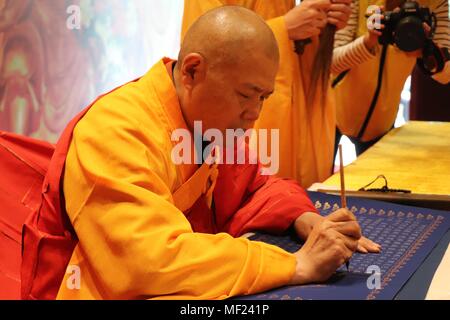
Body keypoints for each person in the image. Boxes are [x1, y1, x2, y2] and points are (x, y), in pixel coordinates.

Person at [54, 6, 379, 300]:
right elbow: (149, 262)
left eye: (263, 98)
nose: (254, 114)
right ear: (193, 71)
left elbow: (255, 185)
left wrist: (305, 219)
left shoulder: (208, 126)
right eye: (245, 95)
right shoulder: (116, 129)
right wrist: (295, 265)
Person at [182, 0, 353, 189]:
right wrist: (282, 27)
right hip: (252, 112)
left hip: (304, 104)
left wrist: (321, 26)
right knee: (252, 192)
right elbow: (203, 42)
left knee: (298, 200)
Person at [331, 0, 449, 155]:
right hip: (330, 111)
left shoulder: (435, 4)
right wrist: (368, 42)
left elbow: (446, 74)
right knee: (319, 179)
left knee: (377, 179)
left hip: (382, 120)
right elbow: (332, 62)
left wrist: (426, 51)